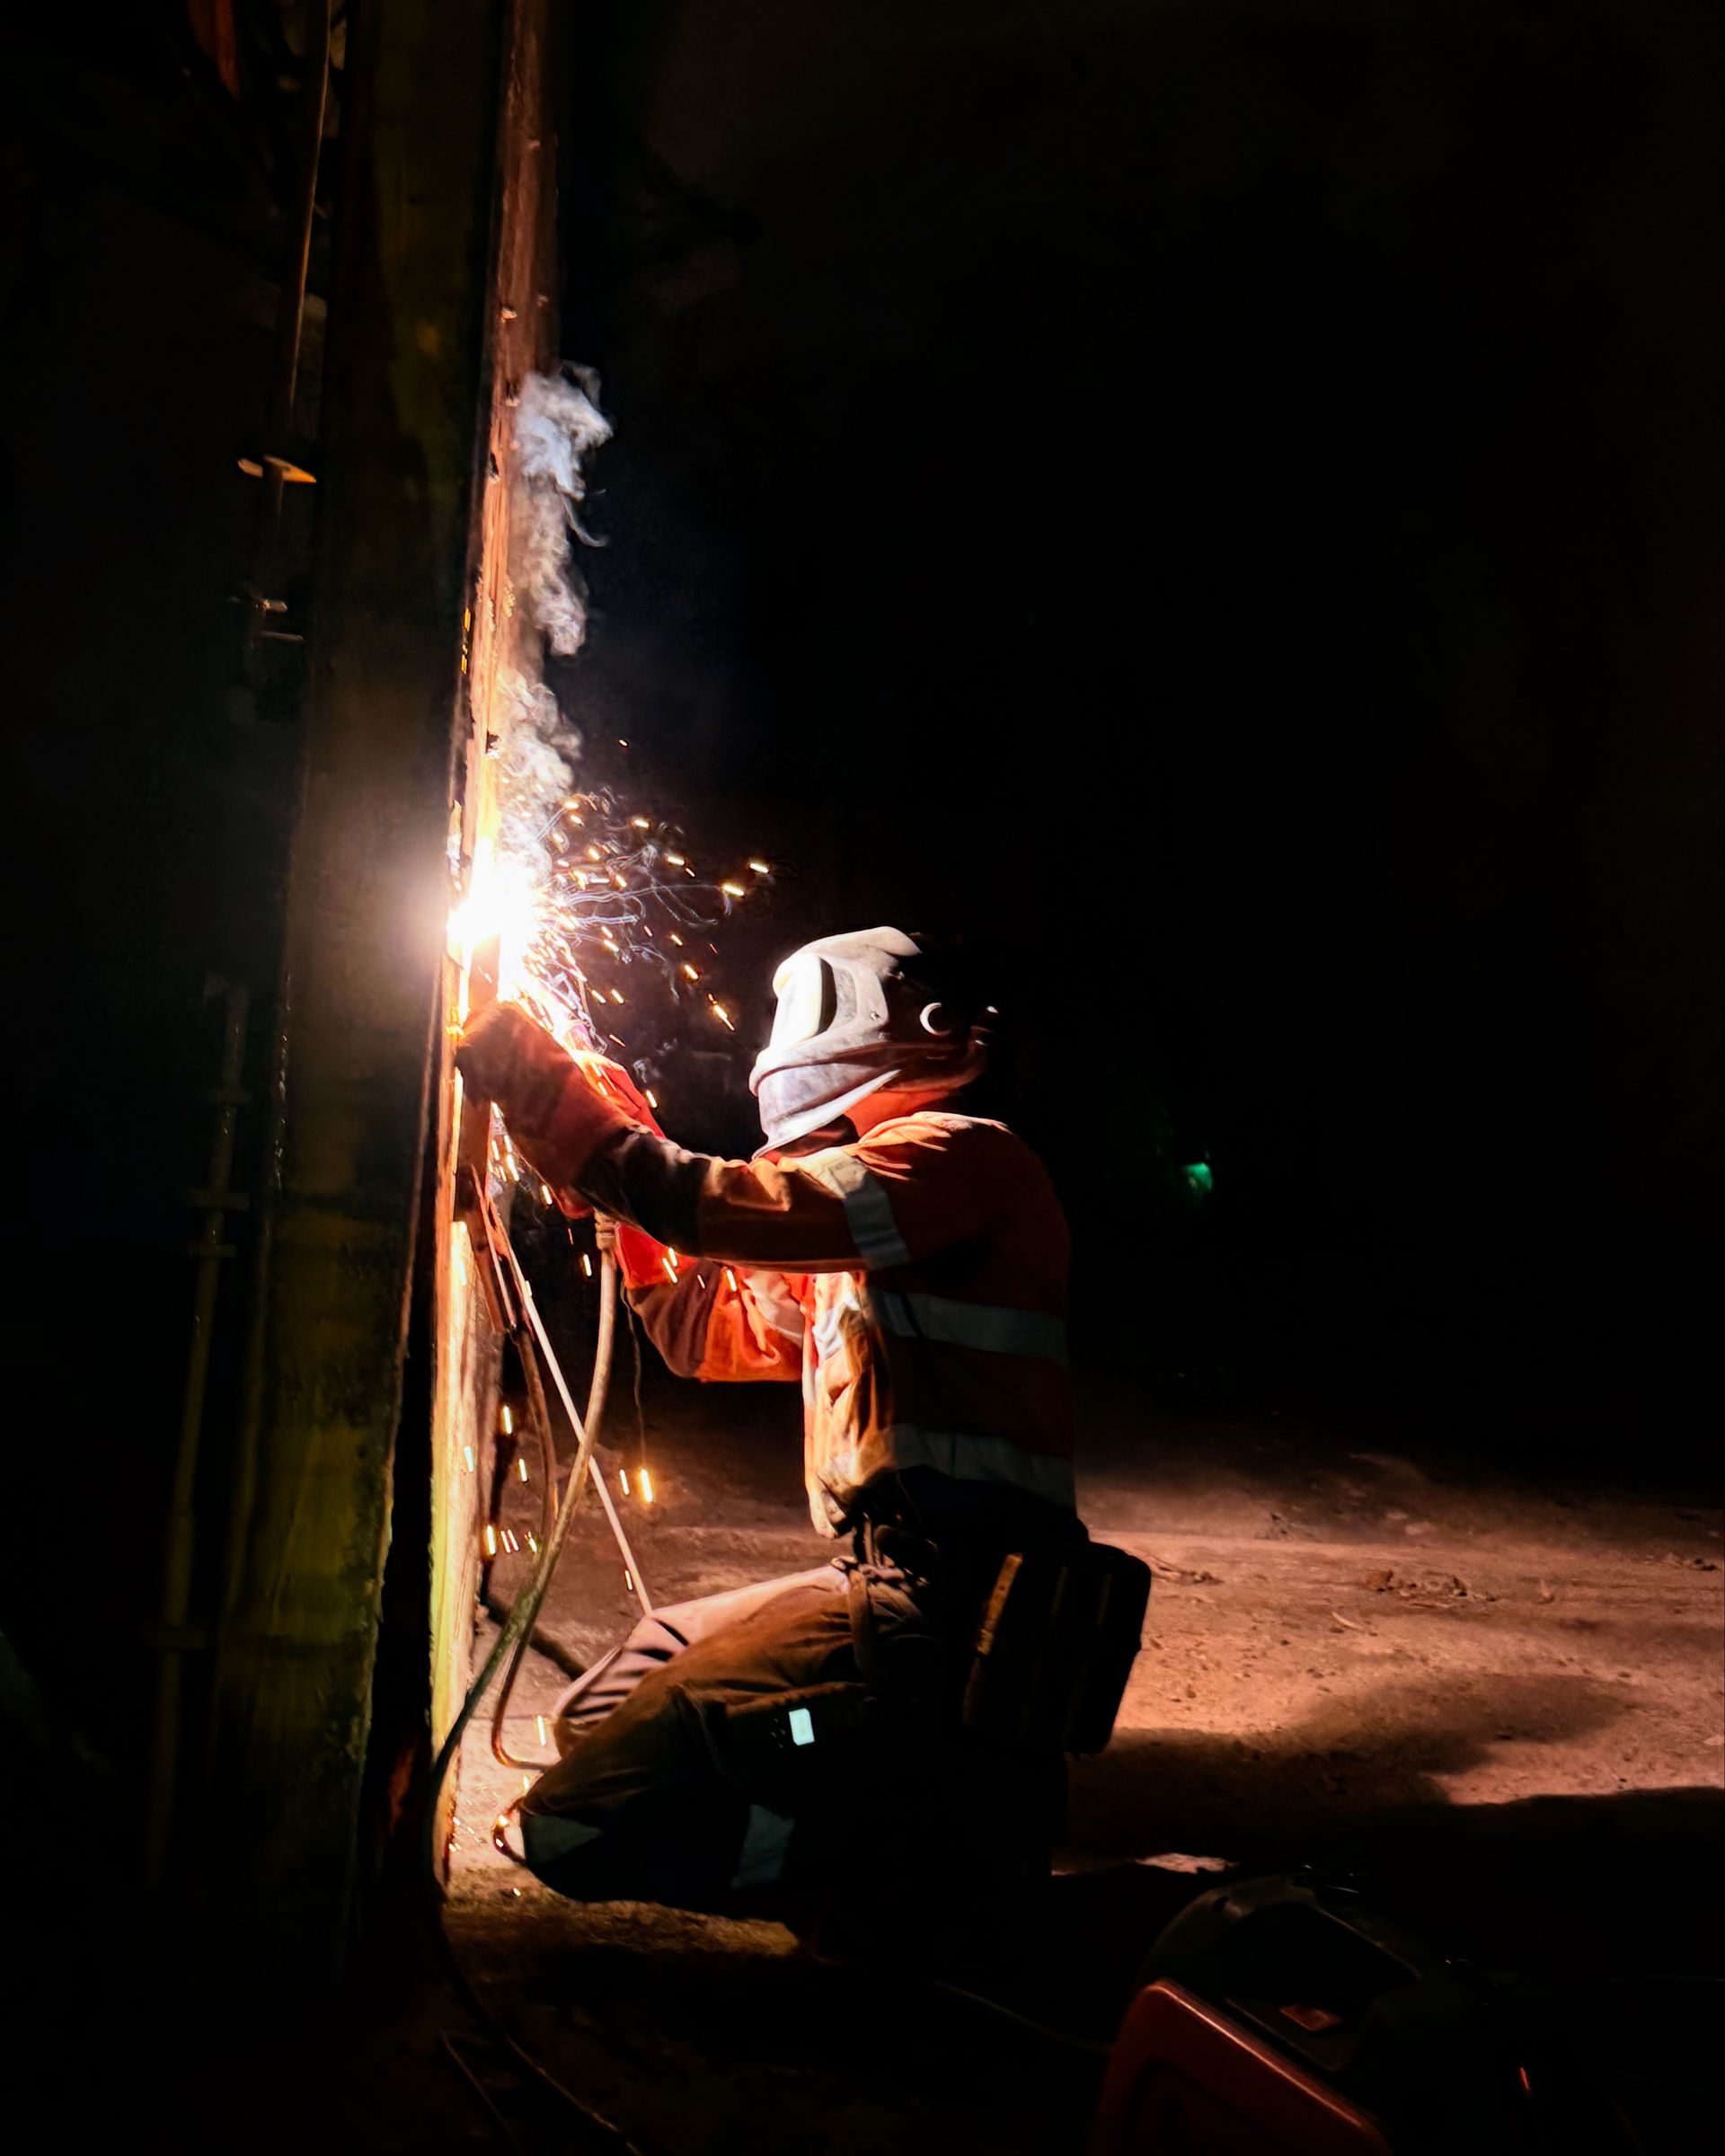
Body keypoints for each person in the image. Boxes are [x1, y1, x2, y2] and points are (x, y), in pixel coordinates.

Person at [457, 926, 1101, 1940]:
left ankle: (903, 1869)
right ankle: (861, 1791)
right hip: (883, 1582)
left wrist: (573, 1117)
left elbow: (716, 1204)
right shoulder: (868, 1233)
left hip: (957, 1603)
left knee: (576, 1827)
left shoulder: (962, 1159)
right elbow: (704, 1333)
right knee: (605, 1704)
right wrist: (626, 1186)